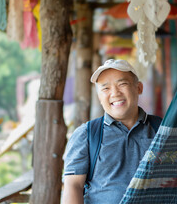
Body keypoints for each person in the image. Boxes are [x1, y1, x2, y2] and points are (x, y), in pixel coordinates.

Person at [62, 59, 162, 204]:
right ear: (99, 97)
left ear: (139, 88)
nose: (115, 93)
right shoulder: (87, 135)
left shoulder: (161, 129)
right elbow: (73, 186)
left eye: (122, 84)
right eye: (105, 88)